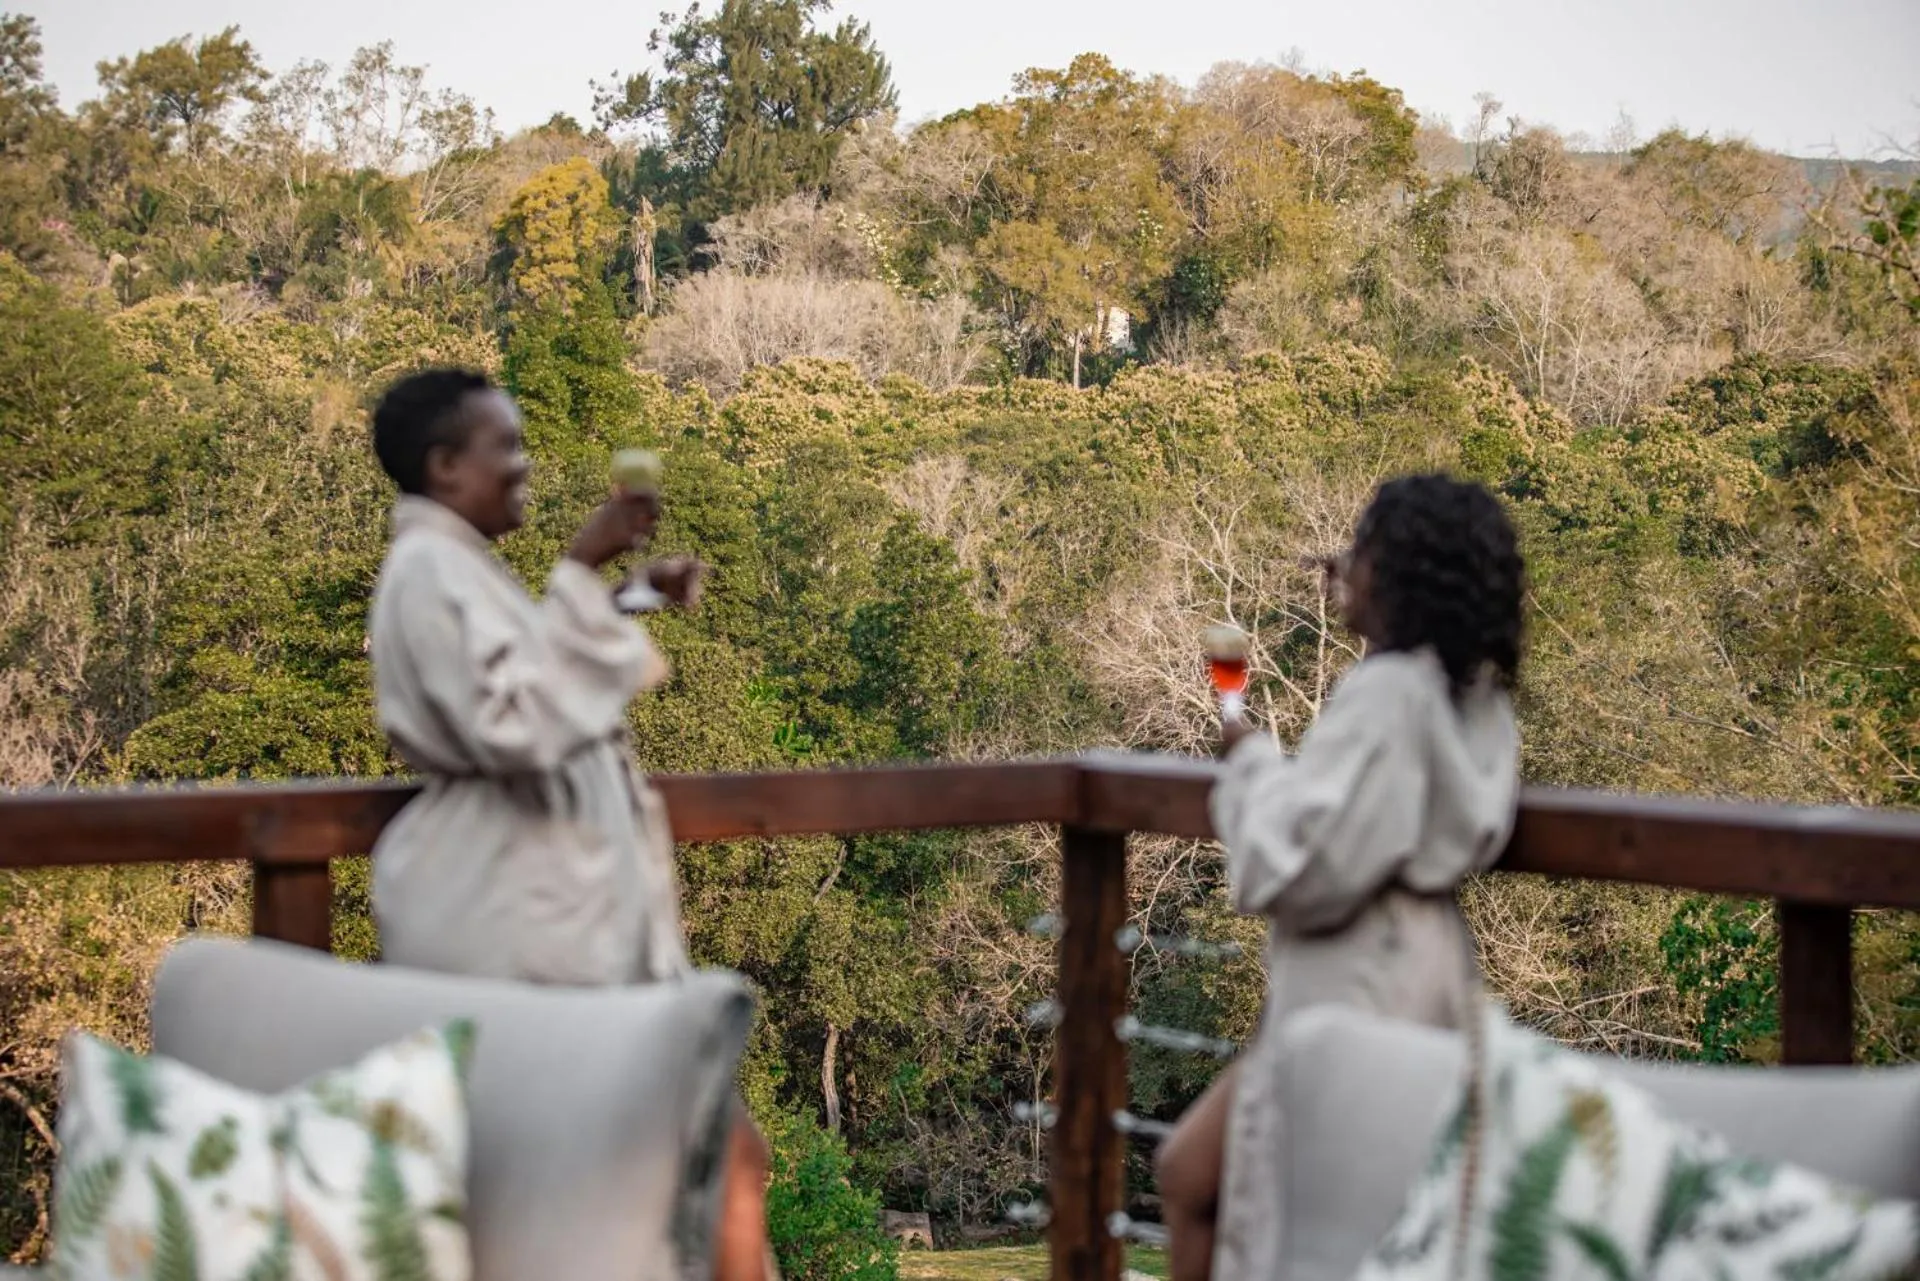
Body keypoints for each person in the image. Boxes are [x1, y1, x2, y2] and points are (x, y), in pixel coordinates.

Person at [364, 368, 774, 1280]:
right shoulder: (424, 573)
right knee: (690, 1159)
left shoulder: (453, 566)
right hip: (520, 911)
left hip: (559, 905)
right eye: (503, 446)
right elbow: (514, 724)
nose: (525, 464)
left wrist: (621, 595)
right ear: (443, 466)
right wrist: (577, 568)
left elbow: (525, 666)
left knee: (715, 1156)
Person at [1154, 473, 1526, 1281]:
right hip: (1419, 972)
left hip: (1359, 987)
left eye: (1357, 550)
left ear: (1395, 575)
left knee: (1308, 1232)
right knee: (1198, 1174)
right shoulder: (1466, 692)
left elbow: (1307, 864)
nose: (1337, 565)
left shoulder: (1390, 693)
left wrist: (1249, 760)